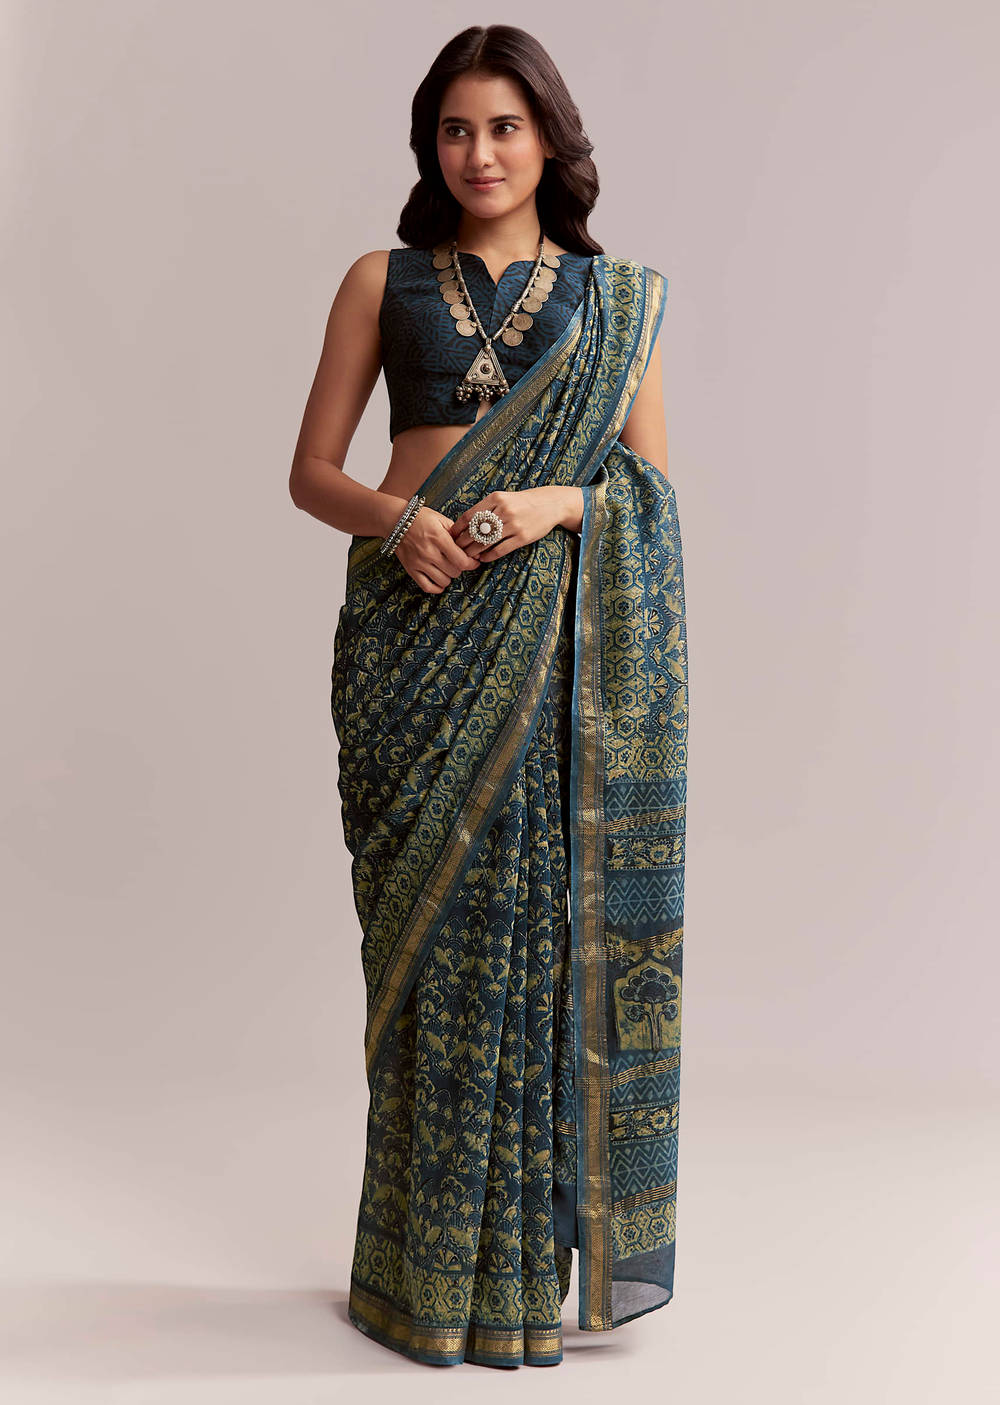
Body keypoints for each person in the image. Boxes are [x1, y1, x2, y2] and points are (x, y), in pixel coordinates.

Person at [289, 23, 689, 1370]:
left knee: (528, 941)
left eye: (504, 127)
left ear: (549, 140)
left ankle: (513, 1277)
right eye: (454, 130)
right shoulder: (381, 279)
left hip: (543, 647)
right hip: (408, 644)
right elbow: (312, 473)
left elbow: (648, 495)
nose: (479, 153)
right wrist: (401, 521)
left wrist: (554, 505)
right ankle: (410, 1273)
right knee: (421, 950)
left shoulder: (616, 300)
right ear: (431, 146)